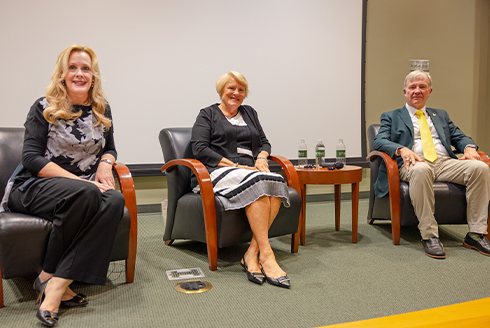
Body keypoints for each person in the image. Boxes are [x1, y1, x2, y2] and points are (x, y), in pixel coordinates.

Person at [3, 45, 125, 326]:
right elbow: (31, 158)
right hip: (32, 186)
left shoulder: (102, 109)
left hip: (80, 191)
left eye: (85, 68)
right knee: (86, 191)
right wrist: (81, 182)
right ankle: (54, 285)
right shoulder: (44, 107)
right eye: (73, 68)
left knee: (115, 200)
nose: (79, 73)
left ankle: (53, 281)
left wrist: (106, 163)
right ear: (62, 74)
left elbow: (111, 148)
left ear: (93, 75)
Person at [373, 70, 490, 259]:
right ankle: (430, 236)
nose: (417, 91)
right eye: (412, 87)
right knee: (422, 170)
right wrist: (401, 149)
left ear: (430, 91)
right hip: (413, 163)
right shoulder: (391, 116)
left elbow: (459, 136)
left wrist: (469, 147)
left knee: (480, 168)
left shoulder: (440, 115)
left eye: (422, 87)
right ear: (405, 92)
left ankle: (476, 234)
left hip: (444, 162)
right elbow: (379, 141)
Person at [191, 71, 291, 288]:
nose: (236, 93)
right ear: (221, 91)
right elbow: (199, 148)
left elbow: (264, 143)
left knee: (274, 180)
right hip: (216, 170)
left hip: (250, 170)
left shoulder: (250, 113)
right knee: (259, 181)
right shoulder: (207, 114)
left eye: (241, 90)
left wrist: (262, 158)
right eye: (231, 88)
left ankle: (252, 253)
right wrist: (235, 165)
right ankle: (267, 255)